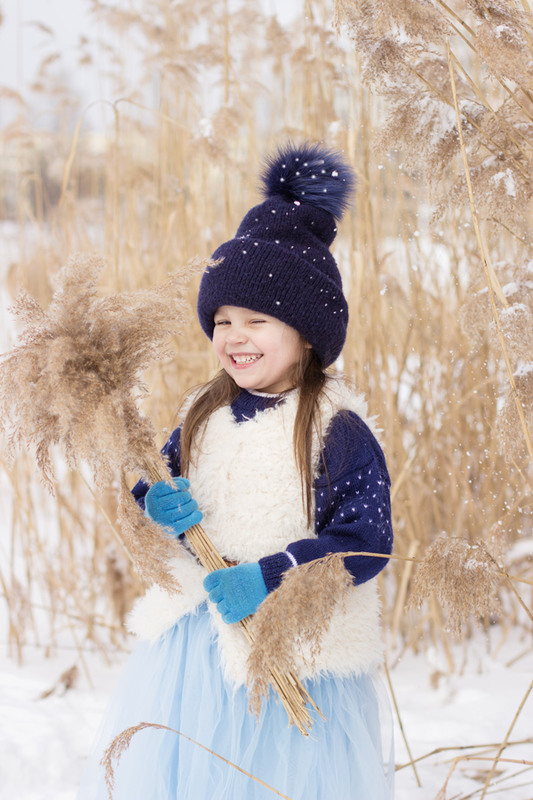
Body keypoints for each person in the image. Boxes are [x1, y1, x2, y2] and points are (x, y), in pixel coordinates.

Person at [78, 142, 394, 799]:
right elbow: (151, 476)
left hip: (292, 660)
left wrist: (270, 576)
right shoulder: (203, 412)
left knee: (279, 781)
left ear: (307, 333)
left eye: (257, 320)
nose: (233, 336)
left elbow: (364, 542)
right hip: (192, 658)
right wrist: (153, 501)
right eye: (221, 320)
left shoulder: (336, 428)